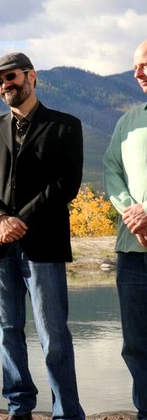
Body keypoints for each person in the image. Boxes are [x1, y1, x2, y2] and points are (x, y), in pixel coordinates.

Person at [0, 52, 85, 420]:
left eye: (11, 77)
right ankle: (19, 409)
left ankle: (67, 413)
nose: (5, 85)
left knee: (54, 334)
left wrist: (21, 220)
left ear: (31, 77)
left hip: (44, 245)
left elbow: (66, 184)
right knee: (7, 331)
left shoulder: (66, 126)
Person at [103, 39, 147, 420]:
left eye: (144, 64)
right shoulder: (128, 122)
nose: (137, 73)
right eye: (135, 66)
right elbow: (111, 171)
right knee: (136, 344)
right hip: (131, 253)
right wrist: (133, 213)